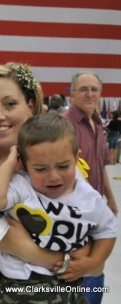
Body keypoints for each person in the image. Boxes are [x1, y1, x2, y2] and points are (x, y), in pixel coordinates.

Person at [0, 62, 92, 304]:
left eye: (10, 104)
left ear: (30, 106)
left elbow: (90, 258)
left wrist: (31, 252)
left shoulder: (59, 172)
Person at [0, 113, 117, 304]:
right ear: (23, 164)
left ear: (77, 158)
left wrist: (93, 262)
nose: (53, 176)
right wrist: (11, 162)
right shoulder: (23, 186)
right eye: (41, 169)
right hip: (19, 287)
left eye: (63, 166)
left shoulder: (89, 197)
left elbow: (108, 230)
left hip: (69, 285)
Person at [62, 71, 118, 304]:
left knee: (95, 267)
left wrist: (111, 200)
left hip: (95, 209)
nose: (89, 94)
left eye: (94, 90)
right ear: (72, 93)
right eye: (83, 89)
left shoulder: (97, 123)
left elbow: (100, 165)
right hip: (72, 212)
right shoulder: (65, 125)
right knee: (78, 269)